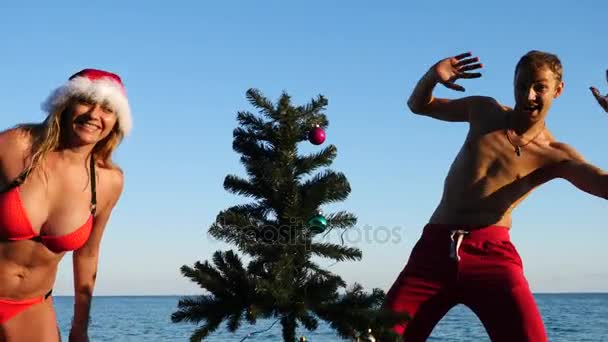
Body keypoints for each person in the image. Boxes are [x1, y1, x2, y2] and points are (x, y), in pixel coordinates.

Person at [383, 51, 608, 341]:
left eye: (540, 87)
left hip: (493, 257)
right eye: (521, 86)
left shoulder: (556, 156)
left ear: (558, 90)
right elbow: (419, 105)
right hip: (433, 252)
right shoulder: (484, 111)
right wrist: (431, 78)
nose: (528, 95)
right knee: (378, 335)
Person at [0, 69, 131, 341]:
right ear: (65, 104)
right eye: (85, 101)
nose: (94, 114)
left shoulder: (108, 182)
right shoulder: (15, 146)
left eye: (107, 108)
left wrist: (80, 327)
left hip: (31, 307)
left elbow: (87, 254)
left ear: (116, 120)